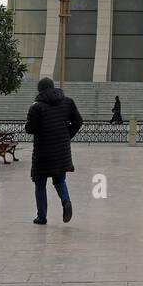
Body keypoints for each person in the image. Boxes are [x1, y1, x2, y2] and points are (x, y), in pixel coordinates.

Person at [25, 77, 83, 225]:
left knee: (39, 183)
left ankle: (42, 216)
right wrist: (67, 135)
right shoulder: (68, 102)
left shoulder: (36, 107)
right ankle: (66, 201)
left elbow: (30, 129)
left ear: (40, 90)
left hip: (42, 151)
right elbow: (78, 121)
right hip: (61, 150)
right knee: (59, 179)